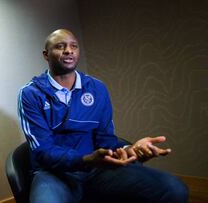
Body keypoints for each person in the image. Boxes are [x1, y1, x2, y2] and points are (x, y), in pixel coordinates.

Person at [17, 29, 188, 203]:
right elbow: (43, 151)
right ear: (46, 55)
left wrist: (131, 151)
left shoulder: (97, 88)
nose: (68, 50)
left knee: (174, 189)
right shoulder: (30, 93)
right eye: (60, 46)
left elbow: (106, 140)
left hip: (97, 169)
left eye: (73, 46)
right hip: (53, 173)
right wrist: (85, 159)